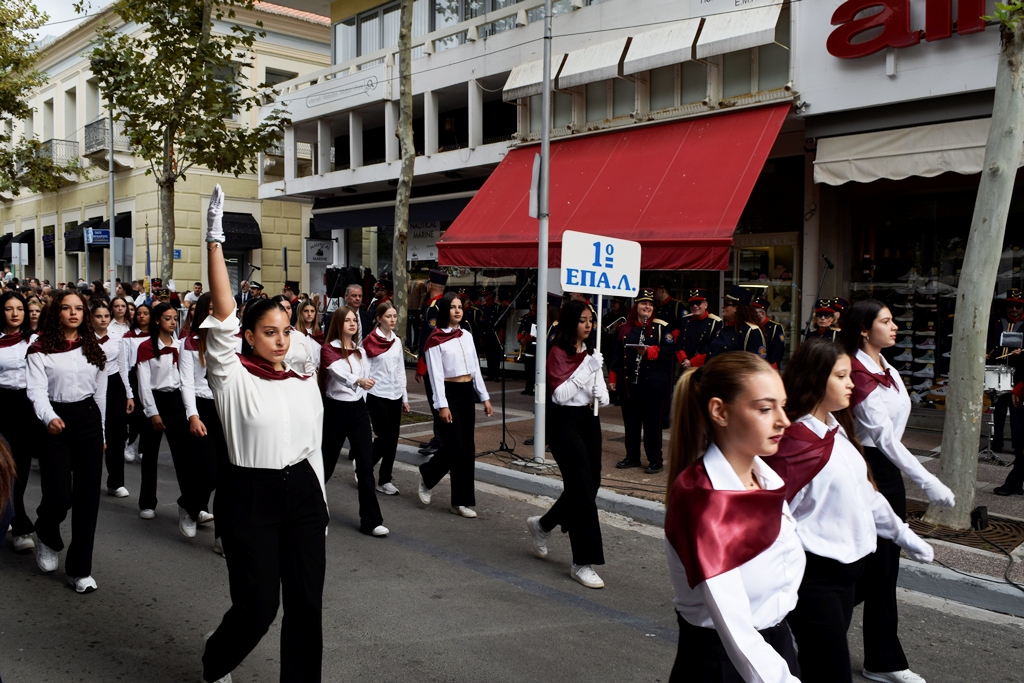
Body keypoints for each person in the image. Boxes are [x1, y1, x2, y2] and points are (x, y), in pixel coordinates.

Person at [200, 185, 328, 683]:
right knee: (257, 608)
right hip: (248, 494)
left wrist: (316, 511)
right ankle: (216, 661)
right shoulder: (231, 377)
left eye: (286, 330)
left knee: (305, 606)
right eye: (269, 331)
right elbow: (225, 313)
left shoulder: (301, 382)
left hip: (302, 494)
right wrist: (215, 240)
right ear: (249, 338)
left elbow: (313, 449)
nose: (280, 338)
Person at [774, 339, 934, 683]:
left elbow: (868, 495)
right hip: (813, 578)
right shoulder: (793, 443)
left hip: (847, 576)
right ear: (816, 379)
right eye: (842, 376)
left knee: (818, 666)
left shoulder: (837, 432)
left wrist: (903, 534)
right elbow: (770, 517)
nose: (852, 384)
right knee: (831, 671)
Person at [663, 353, 800, 682]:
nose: (784, 420)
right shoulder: (703, 502)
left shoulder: (763, 479)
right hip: (726, 664)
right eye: (765, 409)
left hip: (775, 647)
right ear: (719, 412)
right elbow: (736, 627)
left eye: (783, 406)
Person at [840, 300, 955, 683]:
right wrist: (928, 480)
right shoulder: (856, 371)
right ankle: (806, 621)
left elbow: (895, 436)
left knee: (882, 570)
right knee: (861, 566)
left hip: (888, 473)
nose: (894, 328)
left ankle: (882, 660)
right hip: (866, 470)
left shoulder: (886, 368)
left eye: (893, 320)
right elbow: (885, 440)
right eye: (885, 321)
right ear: (862, 329)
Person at [26, 289, 107, 593]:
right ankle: (46, 532)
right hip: (55, 423)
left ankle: (79, 570)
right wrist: (49, 417)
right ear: (55, 313)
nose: (74, 313)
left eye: (79, 308)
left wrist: (101, 433)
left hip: (87, 419)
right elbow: (35, 391)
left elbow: (100, 393)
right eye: (66, 308)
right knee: (60, 496)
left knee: (88, 499)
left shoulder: (94, 347)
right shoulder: (40, 349)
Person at [526, 300, 609, 588]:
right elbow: (560, 395)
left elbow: (603, 396)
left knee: (589, 485)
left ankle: (543, 525)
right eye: (583, 320)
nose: (588, 325)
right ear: (571, 322)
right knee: (583, 493)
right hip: (565, 424)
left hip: (590, 421)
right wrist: (587, 370)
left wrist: (603, 392)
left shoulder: (591, 353)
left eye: (591, 321)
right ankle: (582, 563)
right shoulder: (558, 353)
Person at [136, 302, 213, 537]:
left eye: (174, 318)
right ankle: (147, 502)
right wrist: (152, 412)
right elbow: (143, 383)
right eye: (167, 318)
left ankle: (194, 506)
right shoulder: (146, 347)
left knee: (184, 456)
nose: (172, 321)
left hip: (176, 400)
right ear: (157, 320)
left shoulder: (181, 346)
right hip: (155, 400)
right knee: (150, 454)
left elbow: (187, 377)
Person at [418, 292, 494, 517]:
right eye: (452, 307)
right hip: (449, 393)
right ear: (444, 310)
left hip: (466, 391)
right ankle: (428, 474)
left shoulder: (466, 336)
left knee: (467, 448)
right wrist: (442, 405)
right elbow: (435, 376)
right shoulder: (435, 339)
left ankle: (460, 501)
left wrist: (485, 397)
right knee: (454, 445)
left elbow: (475, 369)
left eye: (460, 306)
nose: (458, 311)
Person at [318, 305, 388, 536]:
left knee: (365, 465)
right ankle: (312, 513)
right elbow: (338, 372)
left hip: (358, 410)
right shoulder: (329, 349)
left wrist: (362, 394)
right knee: (325, 465)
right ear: (338, 324)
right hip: (336, 410)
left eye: (354, 321)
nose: (352, 324)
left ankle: (371, 521)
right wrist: (357, 381)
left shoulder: (360, 351)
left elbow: (367, 378)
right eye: (347, 320)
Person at [179, 292, 229, 557]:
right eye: (209, 309)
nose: (214, 313)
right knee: (210, 473)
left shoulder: (231, 340)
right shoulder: (189, 343)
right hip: (202, 408)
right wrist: (193, 415)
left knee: (229, 477)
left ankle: (222, 536)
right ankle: (189, 505)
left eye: (217, 309)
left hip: (227, 409)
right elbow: (186, 382)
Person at [609, 289, 675, 474]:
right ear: (636, 306)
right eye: (643, 303)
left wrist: (649, 352)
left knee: (652, 425)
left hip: (653, 386)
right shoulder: (625, 328)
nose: (647, 307)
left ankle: (655, 460)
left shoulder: (661, 326)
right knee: (631, 423)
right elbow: (616, 355)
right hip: (629, 384)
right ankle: (632, 457)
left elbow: (670, 350)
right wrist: (613, 377)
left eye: (650, 304)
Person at [0, 292, 46, 552]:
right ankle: (18, 523)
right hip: (2, 406)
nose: (15, 313)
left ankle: (13, 516)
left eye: (19, 308)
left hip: (28, 406)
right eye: (9, 308)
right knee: (4, 468)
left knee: (21, 468)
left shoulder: (35, 340)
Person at [365, 301, 410, 496]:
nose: (392, 320)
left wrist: (405, 397)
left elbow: (400, 369)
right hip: (376, 393)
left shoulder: (397, 341)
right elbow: (364, 370)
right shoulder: (369, 341)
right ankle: (364, 465)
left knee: (393, 440)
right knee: (384, 437)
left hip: (395, 394)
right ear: (379, 319)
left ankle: (384, 480)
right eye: (388, 316)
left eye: (394, 316)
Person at [91, 300, 134, 499]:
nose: (103, 320)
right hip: (91, 385)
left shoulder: (117, 338)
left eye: (106, 316)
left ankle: (115, 481)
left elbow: (123, 366)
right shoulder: (84, 339)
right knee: (93, 432)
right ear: (91, 318)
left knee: (116, 434)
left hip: (114, 384)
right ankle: (88, 479)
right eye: (98, 316)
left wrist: (129, 393)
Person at [415, 270, 448, 456]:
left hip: (432, 362)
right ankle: (438, 437)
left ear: (431, 285)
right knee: (435, 400)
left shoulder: (435, 307)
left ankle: (440, 440)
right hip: (432, 361)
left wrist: (423, 363)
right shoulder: (434, 305)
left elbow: (429, 338)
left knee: (436, 400)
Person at [989, 289, 1023, 464]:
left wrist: (1022, 352)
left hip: (1019, 371)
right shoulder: (995, 320)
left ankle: (1018, 445)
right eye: (1011, 305)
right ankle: (997, 443)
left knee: (1016, 409)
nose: (1014, 309)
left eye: (1017, 306)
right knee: (999, 406)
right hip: (998, 368)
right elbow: (988, 340)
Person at [122, 303, 152, 464]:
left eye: (145, 313)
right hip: (135, 377)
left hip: (154, 379)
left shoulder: (157, 335)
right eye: (139, 313)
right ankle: (131, 442)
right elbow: (125, 363)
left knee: (150, 415)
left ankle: (144, 447)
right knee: (137, 415)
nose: (141, 316)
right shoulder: (129, 337)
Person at [707, 286, 767, 361]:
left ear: (736, 308)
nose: (723, 307)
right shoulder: (725, 327)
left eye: (726, 304)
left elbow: (756, 363)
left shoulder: (751, 331)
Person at [677, 288, 722, 369]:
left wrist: (692, 363)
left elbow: (711, 346)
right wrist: (684, 359)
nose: (695, 306)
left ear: (706, 305)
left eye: (698, 303)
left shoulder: (715, 322)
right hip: (685, 365)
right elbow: (678, 342)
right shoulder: (685, 320)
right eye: (692, 304)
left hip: (704, 366)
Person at [752, 297, 786, 369]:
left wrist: (773, 366)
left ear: (762, 313)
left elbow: (778, 350)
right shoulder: (752, 327)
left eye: (753, 312)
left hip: (769, 365)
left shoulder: (775, 327)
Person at [479, 288, 504, 382]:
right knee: (488, 355)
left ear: (491, 295)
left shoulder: (497, 307)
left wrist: (501, 334)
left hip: (495, 334)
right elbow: (481, 322)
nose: (484, 297)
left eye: (486, 295)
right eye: (483, 296)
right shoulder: (483, 307)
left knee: (495, 355)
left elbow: (501, 322)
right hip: (486, 334)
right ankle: (490, 374)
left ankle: (496, 374)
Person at [517, 296, 538, 396]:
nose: (532, 306)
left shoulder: (539, 316)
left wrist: (527, 339)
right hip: (527, 346)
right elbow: (520, 329)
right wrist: (521, 338)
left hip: (534, 344)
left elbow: (535, 331)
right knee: (528, 369)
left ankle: (533, 388)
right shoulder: (526, 317)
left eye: (534, 304)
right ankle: (528, 387)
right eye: (531, 304)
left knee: (534, 368)